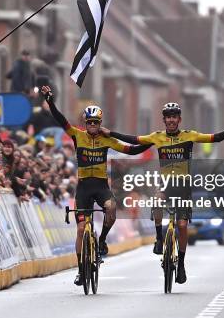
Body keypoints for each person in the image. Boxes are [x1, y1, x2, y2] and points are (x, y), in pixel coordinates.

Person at [101, 102, 224, 284]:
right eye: (168, 117)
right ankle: (159, 239)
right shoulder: (157, 137)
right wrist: (111, 133)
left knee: (181, 226)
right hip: (166, 184)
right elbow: (134, 140)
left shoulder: (190, 135)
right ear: (164, 120)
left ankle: (180, 265)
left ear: (179, 119)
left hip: (183, 186)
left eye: (174, 117)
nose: (171, 120)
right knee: (156, 202)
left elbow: (217, 138)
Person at [40, 85, 150, 287]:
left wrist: (151, 142)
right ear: (85, 122)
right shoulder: (76, 135)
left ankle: (102, 240)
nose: (92, 125)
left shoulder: (106, 139)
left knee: (111, 208)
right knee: (81, 228)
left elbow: (131, 150)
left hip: (100, 186)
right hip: (83, 187)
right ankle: (82, 271)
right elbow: (61, 119)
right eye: (89, 122)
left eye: (96, 122)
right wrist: (50, 101)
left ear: (100, 123)